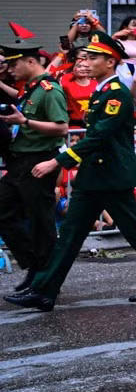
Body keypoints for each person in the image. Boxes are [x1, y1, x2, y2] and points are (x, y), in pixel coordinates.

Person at [7, 34, 136, 310]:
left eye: (93, 57)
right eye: (85, 56)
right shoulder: (102, 91)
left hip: (111, 176)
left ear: (110, 62)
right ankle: (44, 291)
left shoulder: (117, 93)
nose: (86, 61)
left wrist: (57, 162)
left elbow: (99, 136)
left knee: (134, 230)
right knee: (70, 234)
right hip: (94, 176)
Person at [1, 44, 68, 285]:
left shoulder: (49, 90)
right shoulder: (30, 89)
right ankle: (34, 264)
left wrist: (25, 121)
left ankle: (44, 278)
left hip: (40, 160)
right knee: (4, 211)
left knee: (41, 221)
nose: (9, 70)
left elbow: (62, 127)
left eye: (13, 64)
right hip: (20, 162)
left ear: (31, 62)